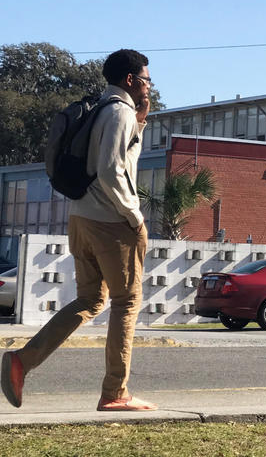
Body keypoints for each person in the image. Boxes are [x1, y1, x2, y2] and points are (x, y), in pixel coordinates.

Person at [2, 49, 157, 411]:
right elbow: (111, 171)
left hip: (82, 219)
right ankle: (115, 393)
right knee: (126, 303)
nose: (150, 85)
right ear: (131, 80)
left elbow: (116, 159)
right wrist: (134, 216)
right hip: (111, 223)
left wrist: (142, 122)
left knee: (90, 300)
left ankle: (23, 361)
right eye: (147, 79)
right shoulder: (119, 111)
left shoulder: (101, 108)